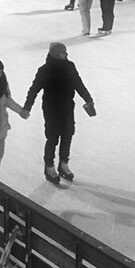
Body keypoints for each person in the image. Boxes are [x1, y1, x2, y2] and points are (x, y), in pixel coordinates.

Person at [22, 42, 95, 185]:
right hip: (51, 108)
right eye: (63, 52)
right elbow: (34, 89)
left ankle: (63, 164)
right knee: (53, 136)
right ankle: (49, 166)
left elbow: (78, 84)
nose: (66, 54)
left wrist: (88, 99)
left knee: (68, 133)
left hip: (67, 106)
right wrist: (27, 107)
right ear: (56, 54)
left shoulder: (70, 67)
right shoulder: (45, 70)